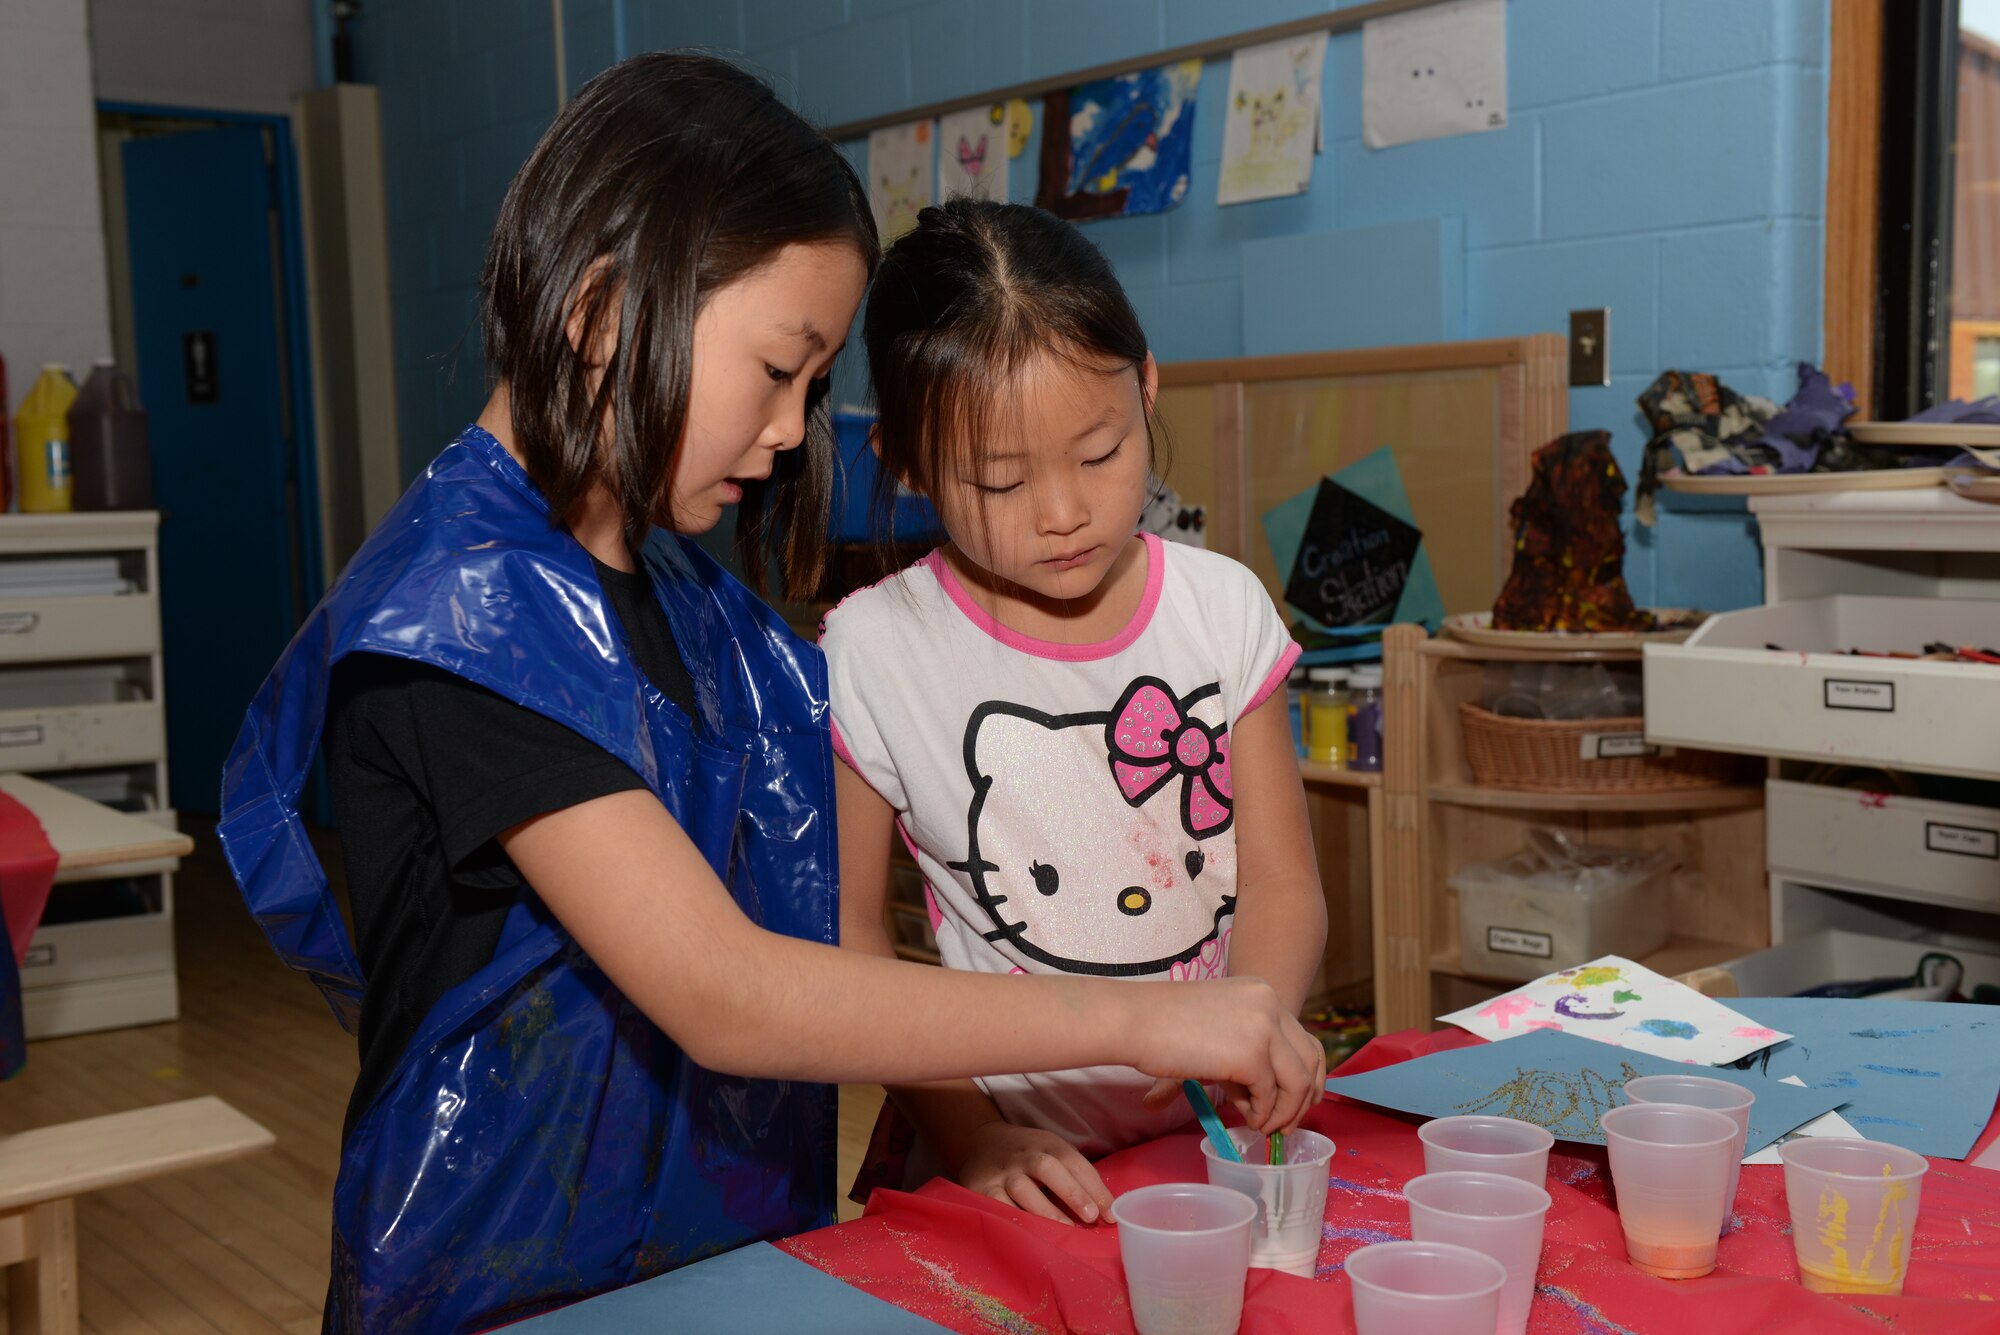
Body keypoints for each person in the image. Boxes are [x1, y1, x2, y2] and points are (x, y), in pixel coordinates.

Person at [216, 53, 1321, 1334]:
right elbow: (727, 991)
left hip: (723, 1261)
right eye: (779, 369)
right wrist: (1142, 1023)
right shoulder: (462, 622)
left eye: (815, 384)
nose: (798, 430)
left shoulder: (689, 600)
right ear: (604, 313)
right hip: (508, 1286)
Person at [824, 199, 1328, 1226]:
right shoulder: (872, 651)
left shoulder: (1218, 608)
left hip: (1205, 1146)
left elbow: (1282, 882)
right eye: (997, 481)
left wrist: (1259, 1019)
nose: (1062, 513)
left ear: (1145, 388)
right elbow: (848, 943)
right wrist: (970, 1139)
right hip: (1002, 1155)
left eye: (1098, 455)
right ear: (908, 464)